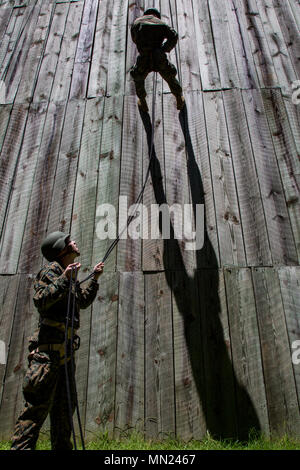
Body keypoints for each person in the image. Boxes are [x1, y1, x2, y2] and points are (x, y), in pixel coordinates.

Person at [11, 231, 104, 450]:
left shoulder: (66, 273)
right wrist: (64, 279)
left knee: (64, 415)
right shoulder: (52, 271)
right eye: (69, 241)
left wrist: (95, 279)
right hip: (47, 359)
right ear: (61, 249)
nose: (74, 242)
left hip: (65, 356)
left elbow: (80, 301)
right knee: (34, 414)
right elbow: (40, 300)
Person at [130, 8, 185, 112]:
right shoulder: (161, 24)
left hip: (144, 56)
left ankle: (142, 101)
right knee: (170, 76)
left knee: (138, 78)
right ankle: (179, 98)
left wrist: (142, 46)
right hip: (158, 55)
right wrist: (164, 49)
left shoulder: (137, 23)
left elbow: (134, 38)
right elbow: (174, 36)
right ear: (157, 16)